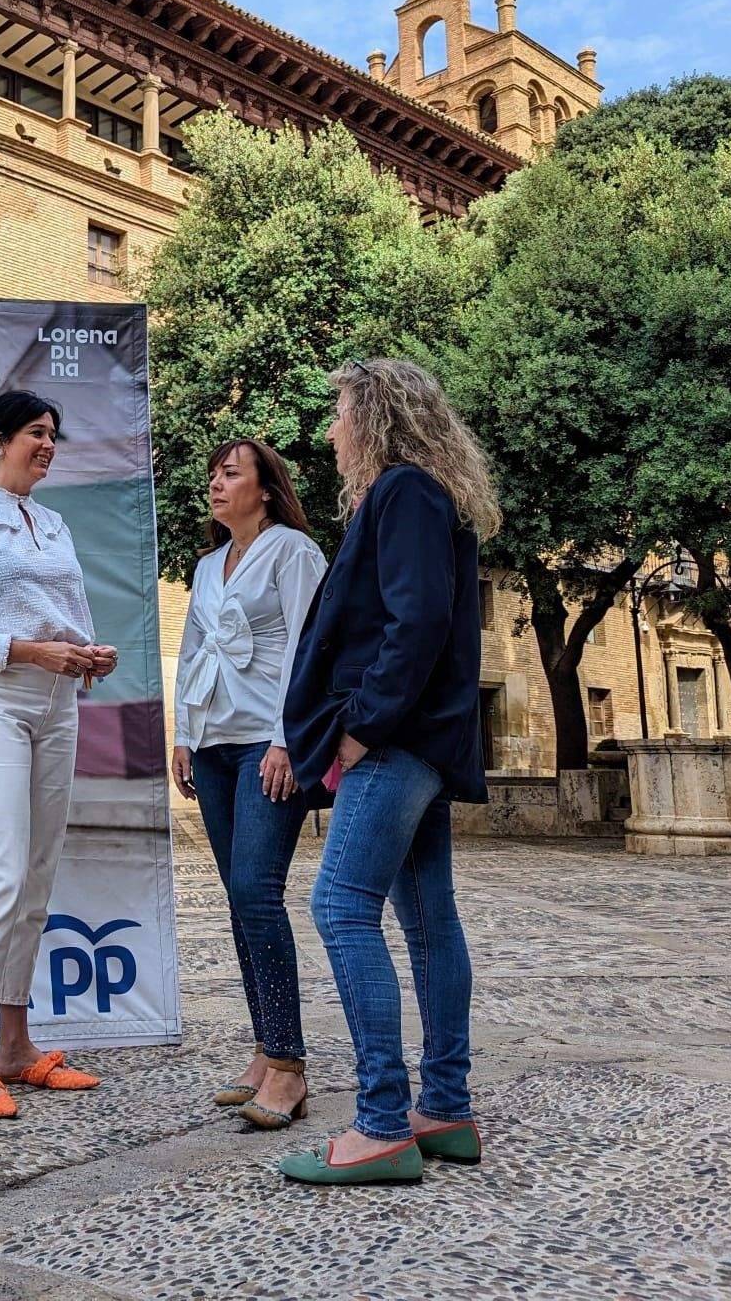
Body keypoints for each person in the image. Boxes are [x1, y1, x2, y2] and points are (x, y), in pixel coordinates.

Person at [277, 358, 501, 1188]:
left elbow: (414, 626)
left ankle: (381, 1124)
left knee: (340, 906)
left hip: (395, 743)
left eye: (340, 416)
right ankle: (443, 1109)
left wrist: (359, 732)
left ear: (373, 417)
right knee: (430, 920)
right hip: (422, 743)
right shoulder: (424, 496)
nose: (333, 432)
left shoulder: (403, 492)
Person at [0, 390, 117, 1118]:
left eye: (54, 434)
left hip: (56, 703)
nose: (49, 444)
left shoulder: (55, 523)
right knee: (0, 871)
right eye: (38, 432)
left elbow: (69, 617)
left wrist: (87, 654)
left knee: (37, 876)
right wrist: (31, 650)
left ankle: (17, 1046)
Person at [171, 440, 326, 1130]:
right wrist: (182, 731)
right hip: (213, 745)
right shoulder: (207, 566)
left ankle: (290, 1067)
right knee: (238, 899)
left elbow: (310, 647)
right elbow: (198, 649)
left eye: (230, 473)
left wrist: (288, 740)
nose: (215, 482)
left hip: (268, 747)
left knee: (259, 894)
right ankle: (265, 1052)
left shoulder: (293, 552)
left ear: (265, 489)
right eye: (212, 474)